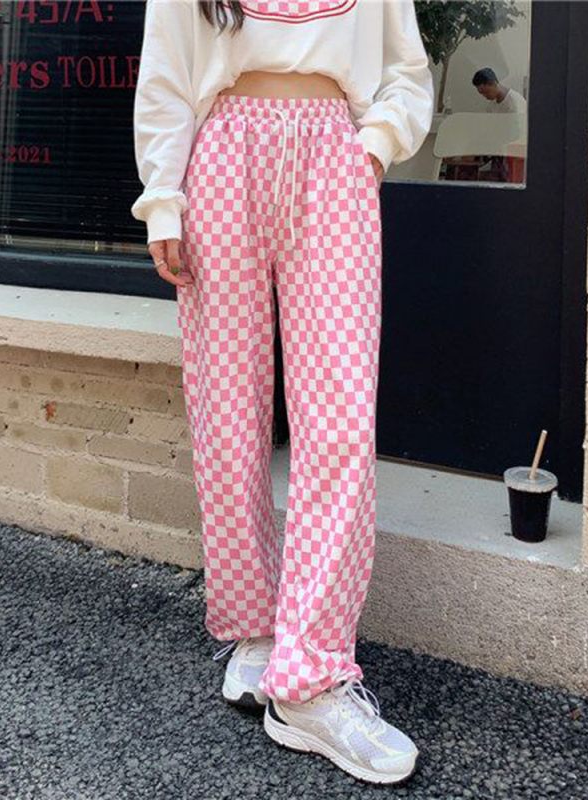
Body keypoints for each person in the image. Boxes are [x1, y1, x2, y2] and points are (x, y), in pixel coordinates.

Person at [131, 0, 434, 785]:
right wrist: (163, 196)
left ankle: (311, 677)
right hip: (221, 156)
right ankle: (256, 627)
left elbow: (407, 69)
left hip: (334, 157)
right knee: (226, 413)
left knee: (339, 423)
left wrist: (372, 147)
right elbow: (166, 72)